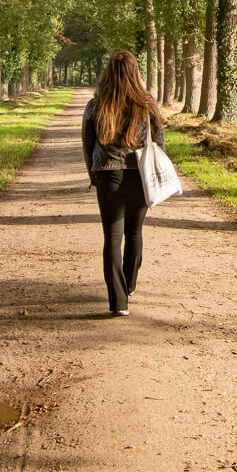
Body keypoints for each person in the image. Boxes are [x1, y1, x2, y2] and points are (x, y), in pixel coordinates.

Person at [82, 49, 165, 316]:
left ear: (108, 73)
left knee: (112, 237)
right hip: (139, 174)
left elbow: (87, 143)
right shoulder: (147, 104)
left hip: (108, 174)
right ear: (135, 72)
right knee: (134, 233)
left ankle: (118, 302)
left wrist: (92, 173)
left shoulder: (96, 105)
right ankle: (129, 284)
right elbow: (159, 142)